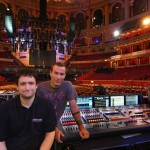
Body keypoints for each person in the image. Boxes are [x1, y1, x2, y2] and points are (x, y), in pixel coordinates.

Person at [0, 69, 56, 150]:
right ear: (17, 87)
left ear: (36, 86)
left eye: (31, 83)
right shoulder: (4, 107)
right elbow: (1, 139)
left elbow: (50, 133)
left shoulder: (47, 106)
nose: (27, 88)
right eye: (23, 84)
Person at [37, 62, 89, 143]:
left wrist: (81, 128)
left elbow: (74, 108)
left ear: (65, 75)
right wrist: (53, 129)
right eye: (56, 73)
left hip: (55, 123)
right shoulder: (40, 87)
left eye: (61, 74)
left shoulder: (68, 85)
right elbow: (37, 112)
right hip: (41, 124)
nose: (58, 77)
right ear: (50, 73)